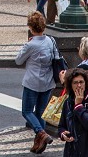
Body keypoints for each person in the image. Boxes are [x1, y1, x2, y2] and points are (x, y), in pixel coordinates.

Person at [15, 11, 60, 154]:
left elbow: (18, 60)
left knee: (27, 111)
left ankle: (41, 133)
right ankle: (40, 143)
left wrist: (26, 45)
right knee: (41, 112)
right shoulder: (50, 41)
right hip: (48, 81)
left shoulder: (31, 45)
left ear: (31, 27)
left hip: (33, 81)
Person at [57, 67, 88, 157]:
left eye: (81, 82)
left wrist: (78, 106)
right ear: (70, 85)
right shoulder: (68, 102)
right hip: (72, 150)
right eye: (75, 83)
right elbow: (61, 126)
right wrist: (63, 134)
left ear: (86, 83)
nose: (79, 85)